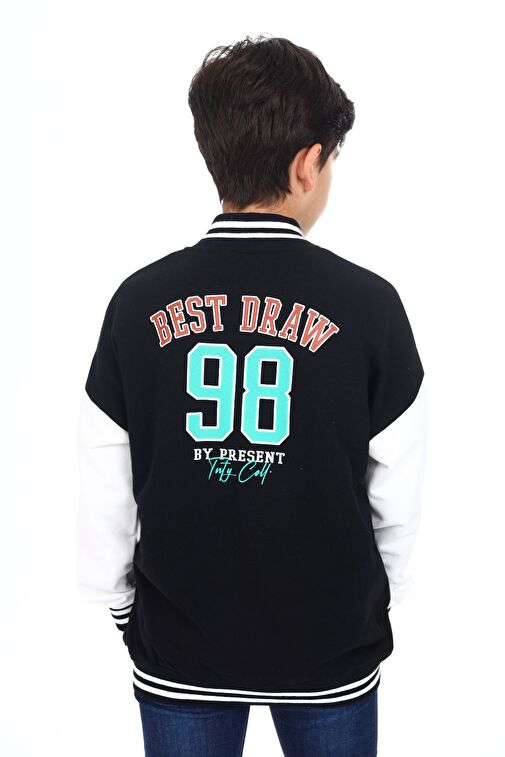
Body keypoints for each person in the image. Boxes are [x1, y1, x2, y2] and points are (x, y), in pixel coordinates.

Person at [75, 33, 430, 757]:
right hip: (330, 645)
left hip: (180, 643)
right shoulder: (370, 307)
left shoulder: (137, 303)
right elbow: (398, 491)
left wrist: (120, 603)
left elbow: (104, 475)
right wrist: (368, 602)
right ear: (307, 164)